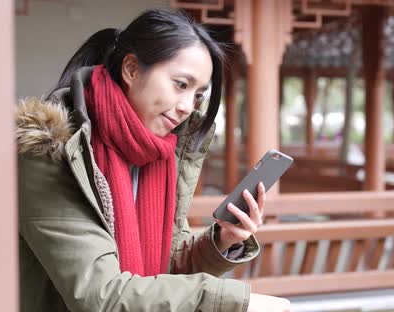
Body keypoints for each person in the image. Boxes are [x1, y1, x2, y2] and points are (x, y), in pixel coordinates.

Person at [16, 8, 291, 312]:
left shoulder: (158, 156)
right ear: (131, 69)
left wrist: (222, 241)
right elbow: (100, 295)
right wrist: (237, 302)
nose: (187, 106)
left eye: (198, 94)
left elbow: (168, 269)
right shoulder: (53, 152)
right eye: (180, 84)